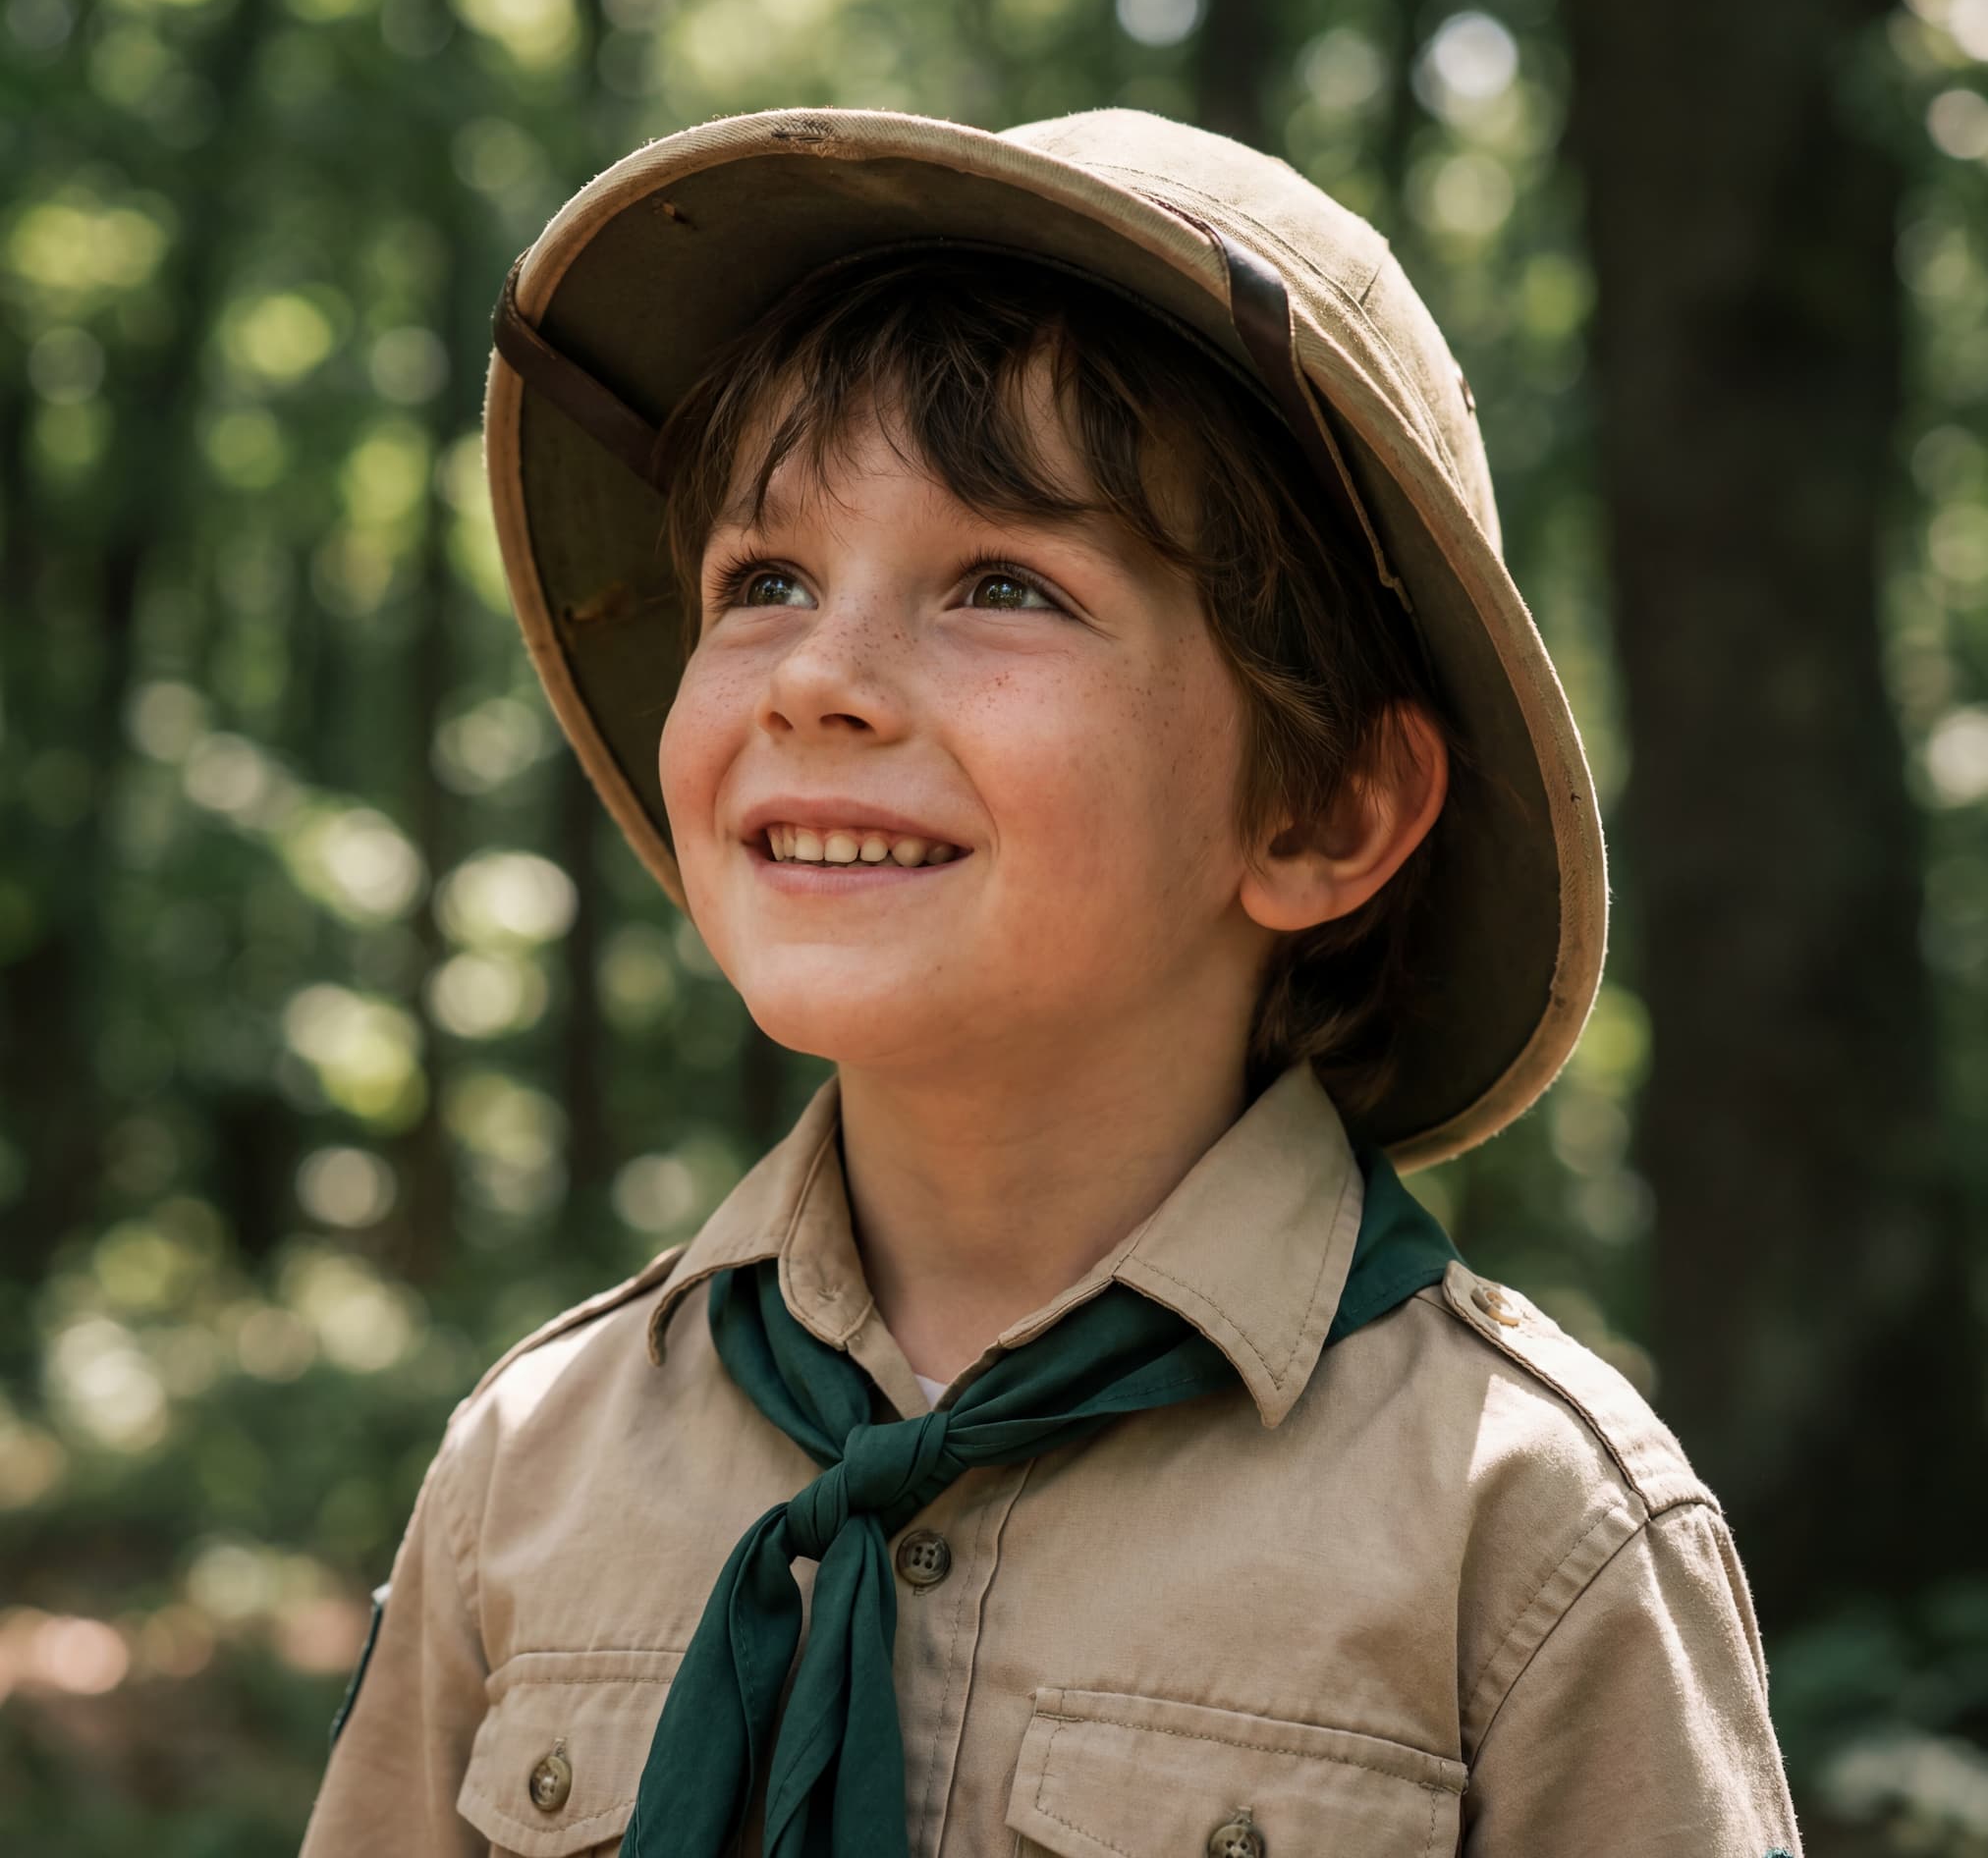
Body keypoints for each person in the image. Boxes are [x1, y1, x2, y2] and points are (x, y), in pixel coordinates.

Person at [299, 106, 1802, 1857]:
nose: (819, 681)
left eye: (1003, 584)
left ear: (1325, 807)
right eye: (763, 580)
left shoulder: (1522, 1538)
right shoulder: (536, 1463)